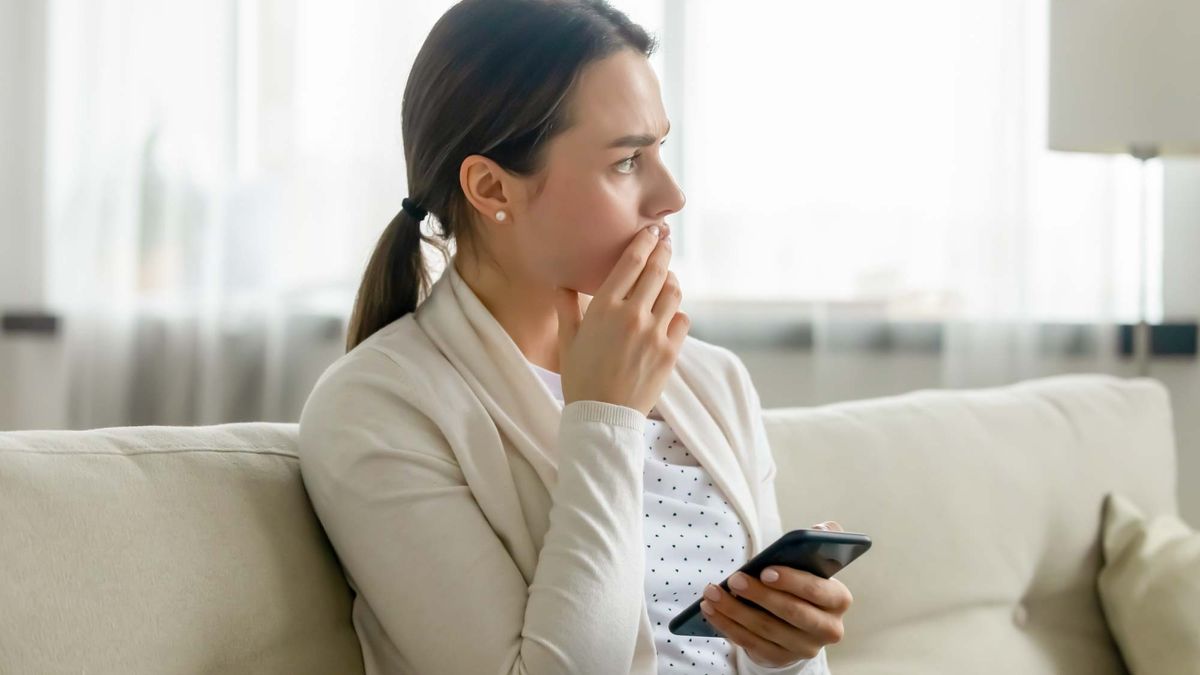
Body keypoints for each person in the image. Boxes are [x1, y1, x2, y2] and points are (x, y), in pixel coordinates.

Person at [297, 1, 853, 672]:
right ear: (490, 186)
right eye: (626, 161)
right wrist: (605, 418)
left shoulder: (712, 379)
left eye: (660, 149)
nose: (671, 194)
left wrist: (789, 651)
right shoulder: (376, 409)